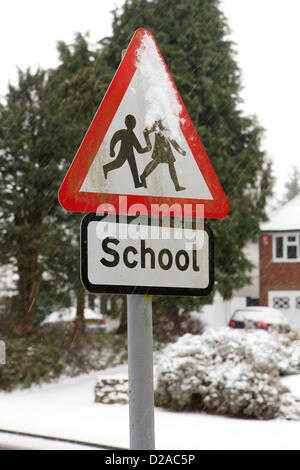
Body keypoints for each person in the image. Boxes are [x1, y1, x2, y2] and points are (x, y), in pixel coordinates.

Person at [103, 114, 151, 188]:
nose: (134, 124)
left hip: (130, 153)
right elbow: (139, 150)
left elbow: (114, 138)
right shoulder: (128, 133)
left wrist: (112, 149)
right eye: (133, 122)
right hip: (124, 152)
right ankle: (105, 168)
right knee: (119, 164)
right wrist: (147, 148)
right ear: (132, 124)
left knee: (133, 167)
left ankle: (137, 183)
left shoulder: (125, 132)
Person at [140, 120, 186, 191]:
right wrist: (148, 144)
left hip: (167, 149)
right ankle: (143, 176)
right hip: (160, 148)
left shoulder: (167, 126)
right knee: (156, 162)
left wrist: (180, 150)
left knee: (171, 165)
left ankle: (177, 186)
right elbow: (145, 132)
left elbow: (172, 141)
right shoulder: (156, 125)